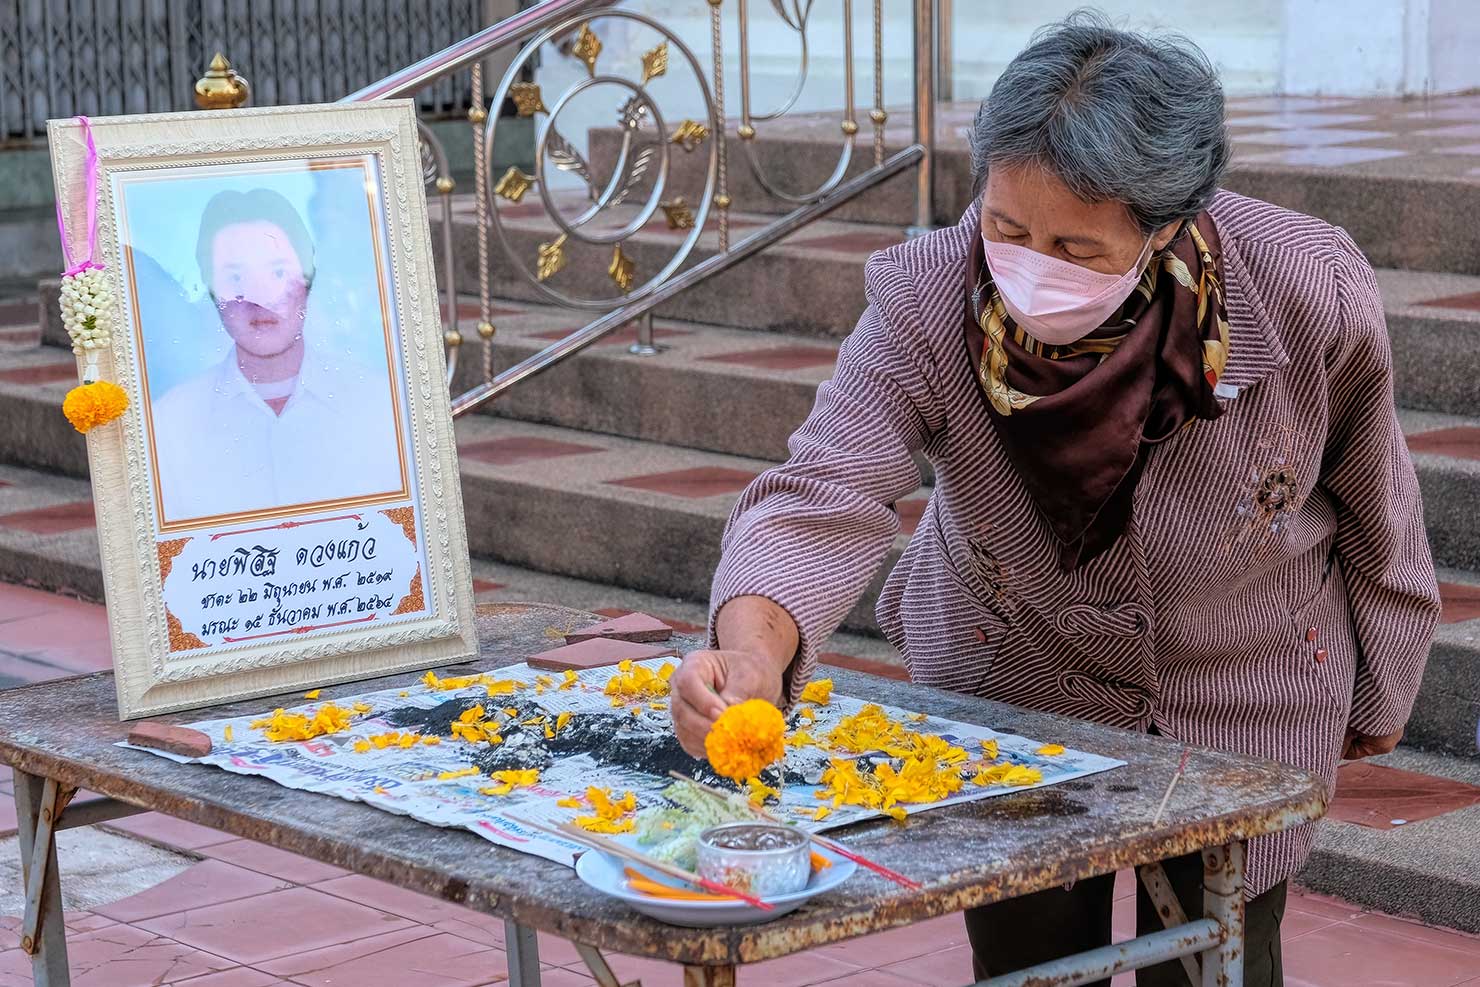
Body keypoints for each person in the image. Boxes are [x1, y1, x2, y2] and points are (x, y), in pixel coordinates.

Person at [668, 14, 1439, 987]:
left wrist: (1382, 677)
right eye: (1007, 227)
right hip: (1010, 671)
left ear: (1168, 224)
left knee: (1218, 966)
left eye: (1077, 247)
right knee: (1031, 963)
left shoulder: (1300, 282)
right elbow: (823, 487)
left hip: (1243, 680)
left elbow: (1373, 484)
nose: (1032, 267)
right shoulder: (927, 297)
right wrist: (750, 650)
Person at [149, 187, 405, 525]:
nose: (260, 297)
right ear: (210, 288)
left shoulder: (382, 406)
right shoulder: (170, 425)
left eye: (278, 273)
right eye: (236, 277)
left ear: (308, 279)